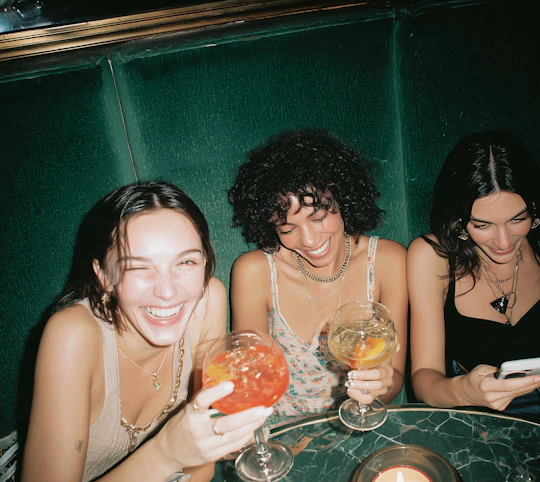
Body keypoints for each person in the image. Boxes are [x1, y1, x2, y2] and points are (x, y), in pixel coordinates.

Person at [22, 182, 271, 482]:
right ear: (103, 275)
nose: (167, 291)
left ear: (205, 262)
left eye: (186, 262)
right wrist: (167, 452)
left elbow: (200, 466)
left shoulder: (207, 303)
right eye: (138, 268)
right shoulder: (71, 336)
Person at [408, 129, 540, 414]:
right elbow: (424, 378)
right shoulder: (432, 256)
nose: (504, 242)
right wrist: (466, 390)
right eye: (482, 225)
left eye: (518, 219)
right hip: (473, 410)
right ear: (458, 219)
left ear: (534, 208)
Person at [227, 129, 408, 420]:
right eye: (288, 229)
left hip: (362, 425)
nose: (309, 241)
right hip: (281, 433)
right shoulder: (255, 273)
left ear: (342, 199)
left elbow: (394, 380)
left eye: (319, 217)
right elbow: (252, 386)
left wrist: (377, 385)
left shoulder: (388, 261)